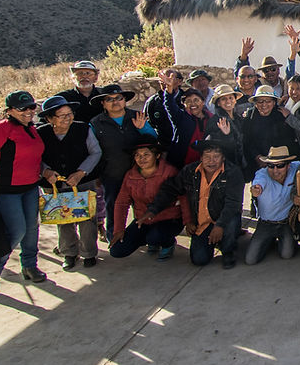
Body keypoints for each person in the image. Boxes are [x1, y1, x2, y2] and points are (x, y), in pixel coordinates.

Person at [143, 139, 243, 269]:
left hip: (222, 219)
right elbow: (170, 189)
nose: (211, 161)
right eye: (207, 156)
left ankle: (228, 251)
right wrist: (153, 209)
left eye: (216, 156)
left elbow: (233, 203)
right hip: (202, 222)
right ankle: (214, 241)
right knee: (199, 259)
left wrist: (220, 226)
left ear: (223, 157)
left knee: (232, 222)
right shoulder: (190, 171)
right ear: (200, 157)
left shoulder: (233, 172)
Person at [37, 95, 102, 270]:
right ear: (50, 118)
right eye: (62, 115)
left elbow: (95, 152)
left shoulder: (82, 129)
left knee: (87, 218)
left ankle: (89, 252)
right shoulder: (41, 133)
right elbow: (35, 156)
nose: (68, 118)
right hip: (53, 184)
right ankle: (69, 252)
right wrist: (46, 171)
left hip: (82, 181)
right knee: (62, 217)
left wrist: (81, 172)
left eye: (69, 114)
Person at [0, 91, 48, 289]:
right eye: (22, 108)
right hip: (7, 190)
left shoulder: (32, 129)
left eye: (31, 107)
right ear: (9, 111)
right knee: (16, 231)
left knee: (32, 229)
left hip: (30, 188)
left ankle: (29, 266)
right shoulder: (1, 129)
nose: (28, 112)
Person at [91, 83, 157, 240]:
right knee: (114, 206)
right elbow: (92, 150)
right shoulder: (96, 123)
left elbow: (153, 140)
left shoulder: (136, 116)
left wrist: (142, 129)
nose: (115, 102)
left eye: (119, 98)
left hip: (138, 172)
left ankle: (148, 237)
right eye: (110, 99)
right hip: (112, 172)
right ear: (103, 103)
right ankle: (114, 237)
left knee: (143, 205)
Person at [110, 142, 183, 261]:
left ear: (157, 156)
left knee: (155, 237)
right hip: (143, 220)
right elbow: (122, 202)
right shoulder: (130, 175)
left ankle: (167, 243)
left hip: (168, 219)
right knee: (117, 250)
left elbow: (183, 198)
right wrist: (119, 229)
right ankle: (152, 239)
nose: (141, 159)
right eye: (137, 155)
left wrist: (188, 221)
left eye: (146, 155)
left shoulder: (169, 172)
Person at [247, 146, 300, 265]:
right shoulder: (262, 174)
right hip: (266, 223)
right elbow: (257, 183)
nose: (275, 170)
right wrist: (256, 189)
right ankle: (269, 240)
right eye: (271, 166)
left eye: (280, 165)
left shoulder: (295, 167)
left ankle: (287, 240)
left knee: (286, 255)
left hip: (285, 223)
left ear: (288, 165)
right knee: (250, 260)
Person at [240, 85, 299, 182]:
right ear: (255, 103)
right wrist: (257, 157)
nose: (264, 105)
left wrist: (275, 161)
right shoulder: (250, 116)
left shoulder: (281, 116)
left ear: (274, 102)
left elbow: (288, 141)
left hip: (279, 163)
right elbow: (247, 140)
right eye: (260, 101)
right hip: (257, 163)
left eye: (268, 101)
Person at [207, 84, 245, 169]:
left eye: (231, 98)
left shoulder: (238, 119)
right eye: (223, 99)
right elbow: (213, 147)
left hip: (239, 166)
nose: (228, 101)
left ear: (235, 100)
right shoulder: (215, 121)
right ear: (218, 103)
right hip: (224, 167)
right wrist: (226, 135)